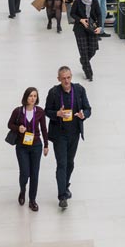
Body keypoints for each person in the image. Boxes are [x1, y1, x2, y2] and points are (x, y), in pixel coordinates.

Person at [44, 66, 92, 209]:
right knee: (62, 164)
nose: (66, 81)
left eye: (68, 77)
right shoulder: (53, 92)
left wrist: (84, 115)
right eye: (63, 78)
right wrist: (57, 114)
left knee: (70, 163)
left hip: (74, 133)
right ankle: (62, 196)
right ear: (58, 79)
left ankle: (65, 186)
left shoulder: (79, 90)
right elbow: (47, 111)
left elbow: (88, 109)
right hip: (59, 134)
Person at [8, 87, 49, 212]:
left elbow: (44, 129)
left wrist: (46, 145)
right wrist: (18, 128)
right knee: (25, 172)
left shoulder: (40, 111)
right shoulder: (18, 111)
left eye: (35, 96)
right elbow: (9, 124)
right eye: (30, 96)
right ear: (26, 97)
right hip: (22, 147)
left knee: (35, 174)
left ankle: (32, 200)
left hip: (36, 146)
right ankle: (22, 190)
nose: (32, 98)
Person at [70, 0, 102, 81]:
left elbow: (99, 14)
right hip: (80, 29)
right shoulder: (78, 1)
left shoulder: (94, 0)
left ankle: (83, 60)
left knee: (93, 49)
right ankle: (89, 74)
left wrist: (100, 27)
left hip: (92, 27)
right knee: (83, 51)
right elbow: (72, 13)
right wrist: (81, 20)